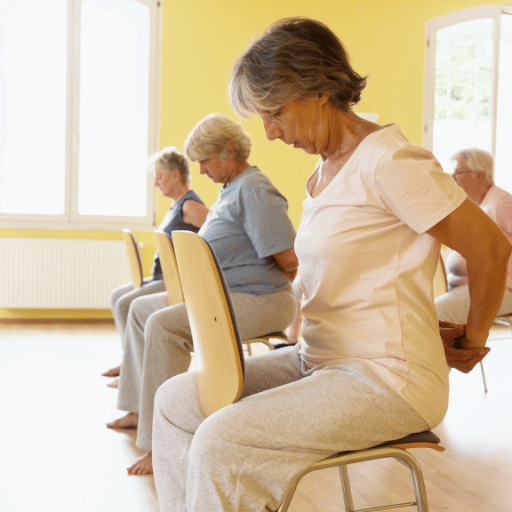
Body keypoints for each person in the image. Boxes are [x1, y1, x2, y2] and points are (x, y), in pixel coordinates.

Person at [151, 18, 511, 512]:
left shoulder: (391, 161)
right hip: (318, 360)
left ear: (316, 88)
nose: (271, 134)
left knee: (223, 440)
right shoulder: (321, 174)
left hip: (386, 378)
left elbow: (490, 247)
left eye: (275, 113)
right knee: (173, 402)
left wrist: (471, 339)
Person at [108, 113, 298, 475]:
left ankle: (159, 444)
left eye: (205, 160)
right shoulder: (231, 189)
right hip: (231, 294)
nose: (202, 169)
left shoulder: (254, 189)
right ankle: (140, 410)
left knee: (164, 325)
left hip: (263, 299)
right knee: (145, 312)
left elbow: (289, 259)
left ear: (228, 150)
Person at [103, 147, 208, 381]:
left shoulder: (190, 205)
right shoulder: (175, 204)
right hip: (162, 276)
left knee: (126, 303)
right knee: (118, 298)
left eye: (160, 177)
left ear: (175, 175)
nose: (156, 184)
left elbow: (214, 236)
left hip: (176, 280)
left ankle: (134, 372)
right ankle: (131, 363)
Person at [436, 148, 512, 323]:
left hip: (501, 289)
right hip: (473, 287)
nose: (453, 178)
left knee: (437, 314)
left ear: (479, 175)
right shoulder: (473, 204)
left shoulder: (501, 202)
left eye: (458, 172)